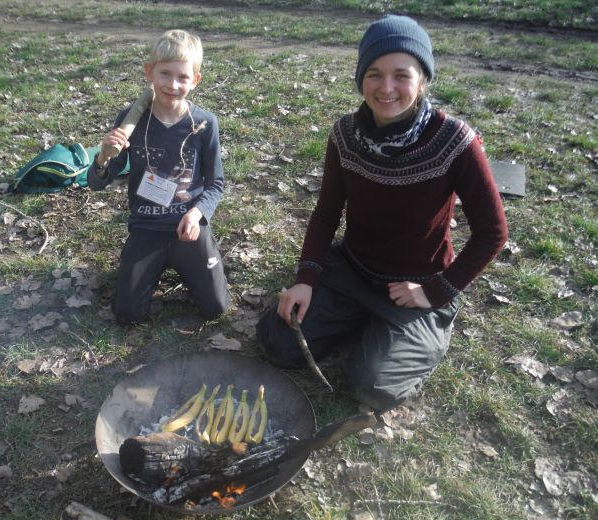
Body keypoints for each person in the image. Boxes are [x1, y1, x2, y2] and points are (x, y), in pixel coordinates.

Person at [256, 15, 508, 412]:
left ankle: (416, 333)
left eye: (401, 75)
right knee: (277, 341)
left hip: (419, 282)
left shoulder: (456, 141)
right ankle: (361, 319)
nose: (386, 88)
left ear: (422, 80)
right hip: (353, 269)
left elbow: (492, 232)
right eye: (374, 74)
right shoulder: (344, 135)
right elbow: (326, 212)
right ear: (361, 79)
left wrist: (436, 291)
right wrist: (306, 278)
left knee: (371, 386)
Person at [88, 29, 230, 324]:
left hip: (187, 227)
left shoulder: (204, 123)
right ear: (149, 72)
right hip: (147, 226)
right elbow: (98, 182)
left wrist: (196, 214)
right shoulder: (131, 119)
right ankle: (149, 263)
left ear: (196, 80)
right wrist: (102, 158)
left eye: (183, 77)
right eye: (164, 74)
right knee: (127, 314)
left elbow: (216, 184)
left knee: (216, 307)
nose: (173, 85)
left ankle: (195, 257)